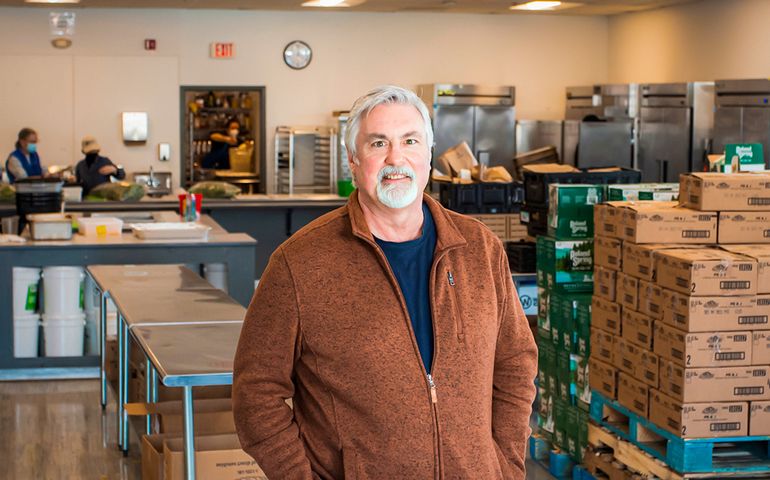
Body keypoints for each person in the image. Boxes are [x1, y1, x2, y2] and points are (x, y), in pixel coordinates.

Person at [233, 85, 537, 479]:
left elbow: (515, 362)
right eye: (379, 143)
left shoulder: (479, 248)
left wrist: (506, 466)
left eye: (410, 141)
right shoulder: (299, 264)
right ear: (354, 160)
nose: (397, 158)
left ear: (428, 155)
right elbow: (255, 394)